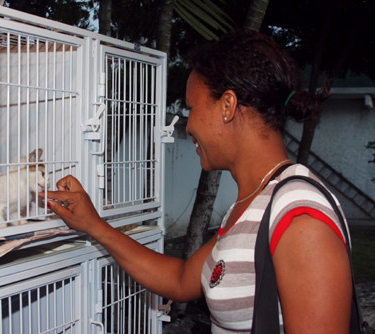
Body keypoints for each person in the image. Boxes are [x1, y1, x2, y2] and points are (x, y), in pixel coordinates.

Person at [43, 30, 353, 333]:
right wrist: (94, 225)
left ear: (227, 106)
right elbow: (181, 279)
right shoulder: (252, 206)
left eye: (192, 108)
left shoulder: (299, 218)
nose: (189, 126)